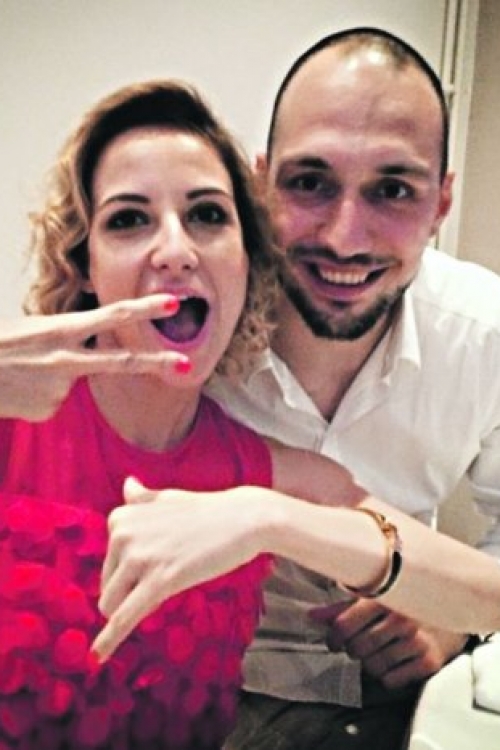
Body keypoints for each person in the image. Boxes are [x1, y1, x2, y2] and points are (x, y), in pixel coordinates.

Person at [0, 77, 370, 750]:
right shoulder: (13, 418)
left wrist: (268, 517)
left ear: (246, 261)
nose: (175, 249)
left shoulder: (260, 473)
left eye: (206, 215)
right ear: (85, 265)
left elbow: (482, 589)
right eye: (128, 220)